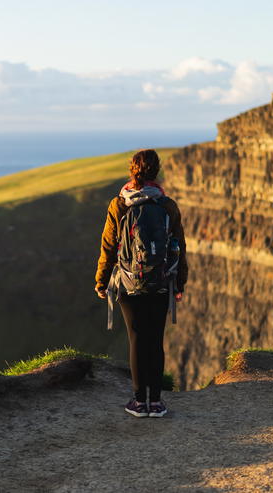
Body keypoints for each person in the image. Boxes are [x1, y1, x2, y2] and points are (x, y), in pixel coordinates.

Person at [95, 149, 188, 418]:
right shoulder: (167, 205)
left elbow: (109, 246)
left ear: (132, 169)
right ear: (157, 171)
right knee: (155, 340)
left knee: (136, 339)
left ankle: (139, 402)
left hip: (127, 282)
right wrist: (179, 283)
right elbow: (179, 247)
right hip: (161, 281)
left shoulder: (119, 204)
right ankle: (156, 402)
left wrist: (102, 281)